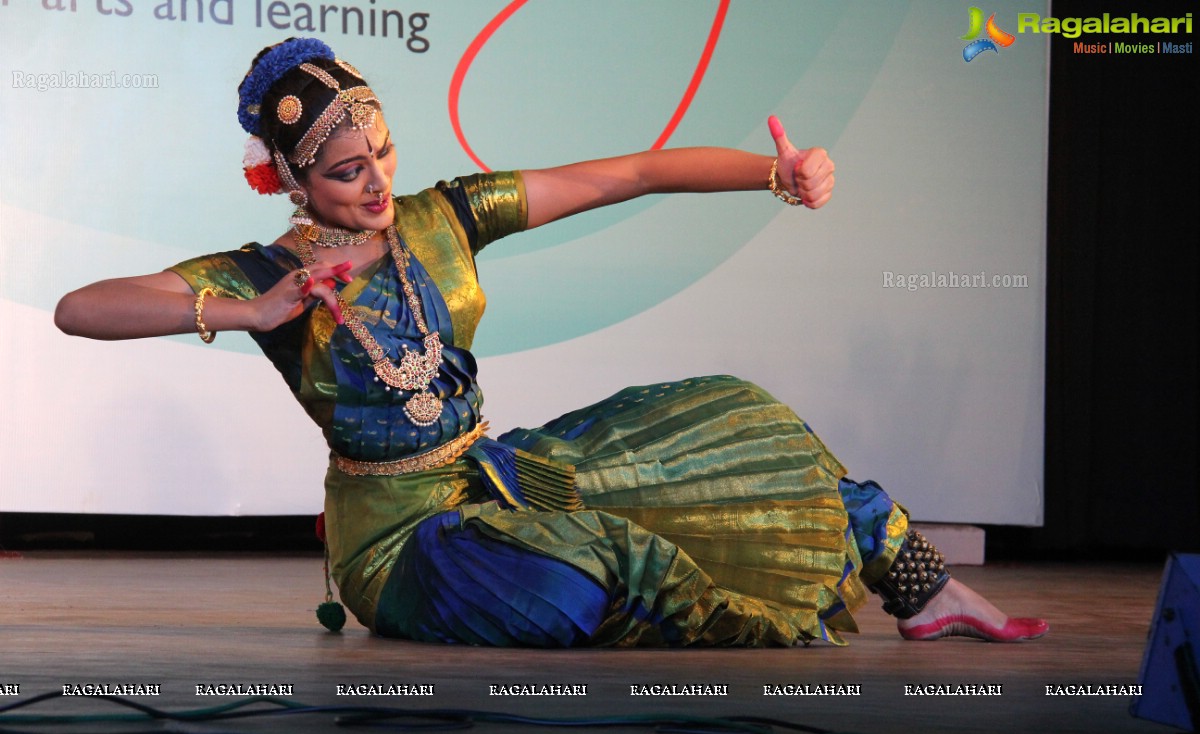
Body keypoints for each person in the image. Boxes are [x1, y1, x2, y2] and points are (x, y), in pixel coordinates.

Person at [56, 38, 1046, 647]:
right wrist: (250, 313)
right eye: (347, 168)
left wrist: (773, 174)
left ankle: (919, 587)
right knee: (582, 572)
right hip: (401, 546)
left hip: (499, 471)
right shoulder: (270, 276)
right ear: (288, 178)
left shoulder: (444, 216)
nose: (375, 181)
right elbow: (81, 305)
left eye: (384, 152)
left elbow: (633, 172)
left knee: (726, 431)